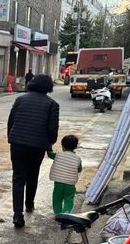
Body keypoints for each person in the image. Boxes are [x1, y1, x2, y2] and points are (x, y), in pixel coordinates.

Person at [7, 74, 60, 228]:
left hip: (17, 143)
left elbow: (11, 121)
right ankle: (29, 204)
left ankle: (17, 214)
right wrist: (50, 143)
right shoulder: (52, 104)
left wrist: (11, 137)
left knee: (18, 177)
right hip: (37, 145)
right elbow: (52, 129)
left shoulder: (20, 100)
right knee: (32, 174)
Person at [48, 135, 82, 214]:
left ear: (62, 146)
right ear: (75, 147)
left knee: (57, 198)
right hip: (70, 184)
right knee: (69, 199)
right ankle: (66, 212)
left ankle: (58, 213)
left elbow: (50, 154)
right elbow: (79, 169)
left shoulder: (58, 155)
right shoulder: (77, 158)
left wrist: (49, 146)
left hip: (58, 183)